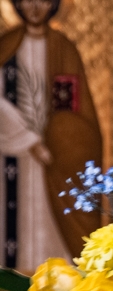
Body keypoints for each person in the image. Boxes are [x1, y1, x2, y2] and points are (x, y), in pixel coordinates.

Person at [0, 0, 102, 272]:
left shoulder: (63, 48)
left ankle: (56, 280)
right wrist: (29, 139)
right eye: (27, 0)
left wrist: (63, 140)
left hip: (55, 157)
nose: (35, 8)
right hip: (10, 153)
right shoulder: (5, 46)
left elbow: (74, 112)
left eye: (43, 0)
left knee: (48, 222)